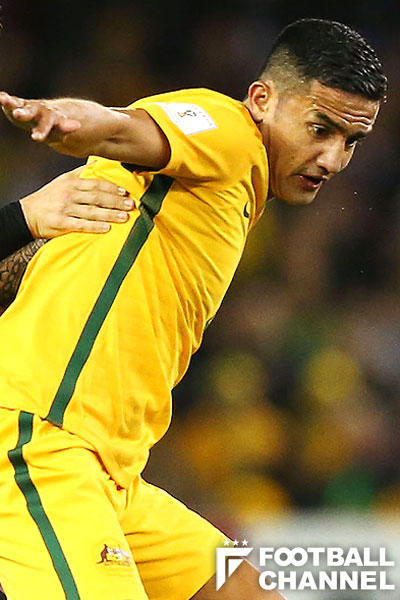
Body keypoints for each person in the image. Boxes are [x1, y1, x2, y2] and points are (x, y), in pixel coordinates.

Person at [0, 18, 386, 600]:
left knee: (247, 591)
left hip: (115, 475)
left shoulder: (228, 189)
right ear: (262, 99)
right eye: (319, 129)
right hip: (44, 445)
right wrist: (68, 121)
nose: (332, 158)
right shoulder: (229, 133)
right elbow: (125, 128)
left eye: (350, 141)